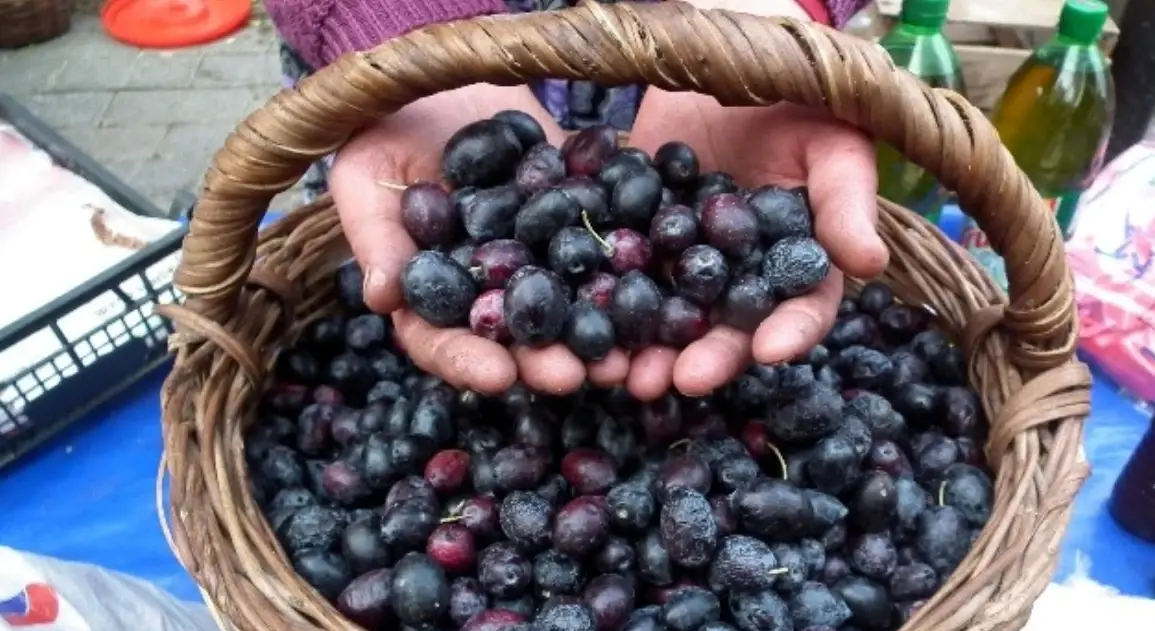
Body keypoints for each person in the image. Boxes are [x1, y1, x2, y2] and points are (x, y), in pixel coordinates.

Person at [264, 0, 886, 400]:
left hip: (701, 69)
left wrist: (760, 31)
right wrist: (407, 49)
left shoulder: (644, 237)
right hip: (416, 53)